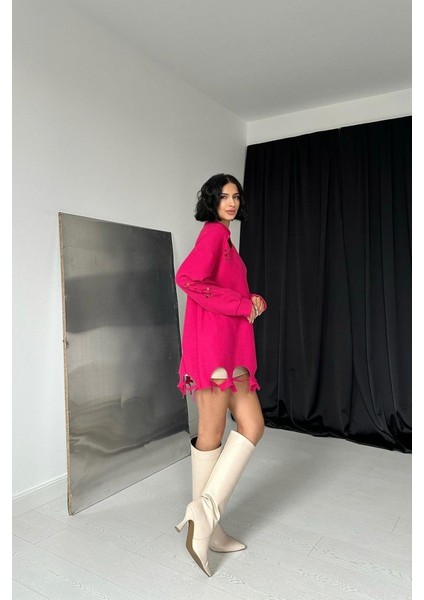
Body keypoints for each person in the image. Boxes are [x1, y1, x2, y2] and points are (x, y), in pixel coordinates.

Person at [174, 173, 267, 576]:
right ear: (211, 201)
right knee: (211, 433)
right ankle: (207, 525)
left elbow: (223, 288)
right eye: (223, 196)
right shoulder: (213, 234)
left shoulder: (226, 241)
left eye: (236, 196)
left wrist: (251, 300)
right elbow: (187, 278)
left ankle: (205, 519)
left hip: (231, 348)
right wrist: (240, 305)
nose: (231, 202)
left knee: (252, 425)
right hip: (214, 348)